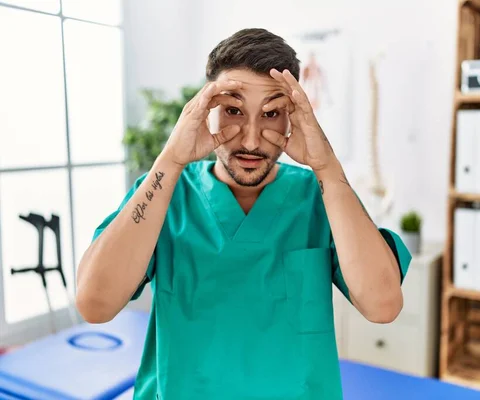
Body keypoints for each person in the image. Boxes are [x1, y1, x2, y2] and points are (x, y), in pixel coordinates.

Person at [75, 28, 412, 400]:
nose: (251, 139)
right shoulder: (165, 193)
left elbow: (383, 306)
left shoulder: (322, 198)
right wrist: (170, 160)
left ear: (293, 118)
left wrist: (327, 167)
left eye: (271, 113)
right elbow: (95, 304)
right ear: (204, 109)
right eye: (233, 110)